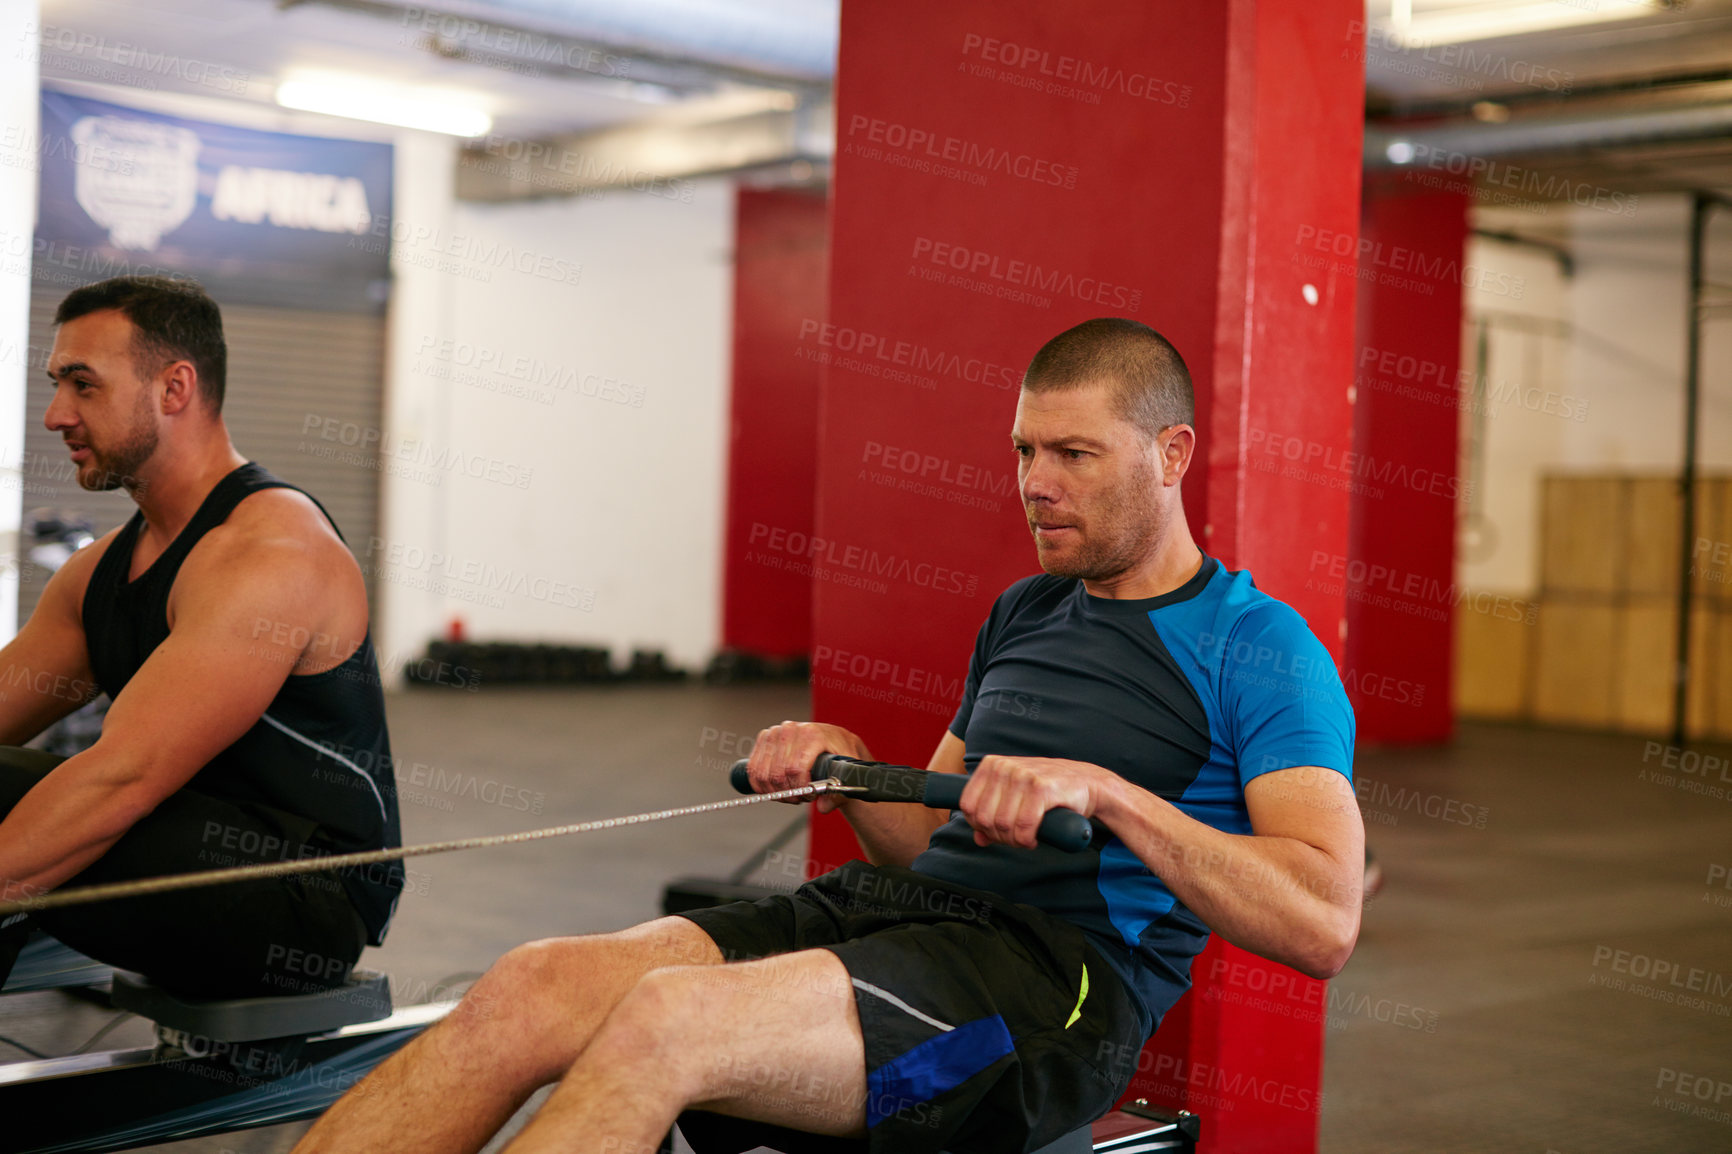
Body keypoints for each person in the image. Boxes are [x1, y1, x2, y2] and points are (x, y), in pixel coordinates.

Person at [291, 317, 1361, 1154]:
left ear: (1171, 453)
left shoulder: (1258, 647)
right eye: (1026, 449)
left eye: (1075, 453)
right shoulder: (1027, 609)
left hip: (1047, 1001)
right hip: (898, 919)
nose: (1036, 482)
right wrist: (848, 766)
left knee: (669, 1021)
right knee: (531, 982)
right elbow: (923, 840)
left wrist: (1112, 795)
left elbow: (1321, 919)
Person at [0, 275, 402, 998]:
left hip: (299, 899)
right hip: (183, 848)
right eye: (56, 384)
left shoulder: (270, 551)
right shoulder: (99, 575)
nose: (56, 415)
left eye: (83, 385)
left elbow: (123, 777)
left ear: (174, 388)